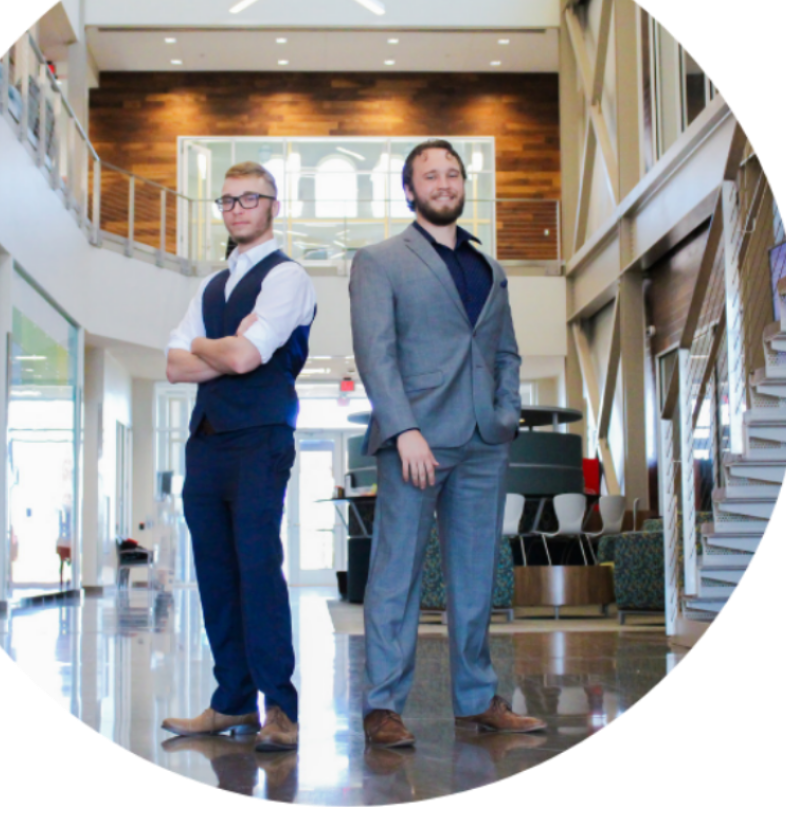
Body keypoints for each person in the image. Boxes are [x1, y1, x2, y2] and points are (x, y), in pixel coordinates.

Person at [349, 139, 547, 749]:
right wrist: (404, 428)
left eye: (452, 173)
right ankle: (384, 705)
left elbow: (505, 350)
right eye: (430, 175)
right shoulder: (380, 260)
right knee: (396, 576)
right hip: (415, 441)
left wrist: (507, 414)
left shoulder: (490, 268)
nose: (443, 182)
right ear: (409, 191)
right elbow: (375, 353)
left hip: (485, 441)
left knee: (475, 574)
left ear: (464, 185)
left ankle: (476, 700)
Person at [161, 161, 317, 753]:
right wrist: (216, 346)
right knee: (217, 576)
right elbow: (173, 365)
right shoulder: (210, 285)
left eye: (249, 199)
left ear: (272, 206)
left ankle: (279, 706)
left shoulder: (288, 277)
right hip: (206, 443)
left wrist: (211, 348)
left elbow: (250, 359)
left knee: (256, 569)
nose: (237, 209)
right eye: (227, 201)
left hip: (259, 439)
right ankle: (232, 701)